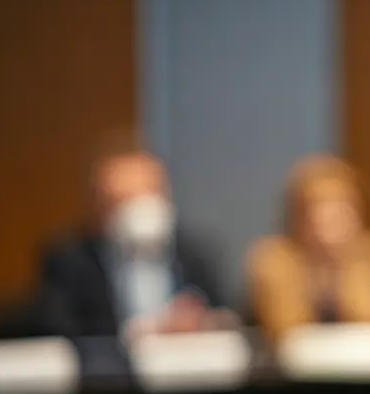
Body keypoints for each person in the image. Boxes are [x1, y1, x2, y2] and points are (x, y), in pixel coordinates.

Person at [36, 131, 233, 341]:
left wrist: (201, 323)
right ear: (99, 206)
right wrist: (136, 333)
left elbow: (224, 319)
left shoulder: (197, 253)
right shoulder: (70, 261)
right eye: (123, 200)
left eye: (149, 195)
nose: (139, 210)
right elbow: (59, 331)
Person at [246, 155, 370, 342]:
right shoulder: (272, 259)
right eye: (321, 206)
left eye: (343, 206)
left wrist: (346, 268)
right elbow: (287, 331)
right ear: (298, 215)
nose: (332, 218)